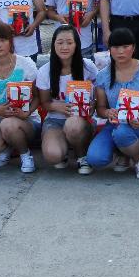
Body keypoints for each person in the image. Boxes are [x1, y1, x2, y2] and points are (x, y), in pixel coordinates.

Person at [84, 27, 139, 179]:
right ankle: (123, 151)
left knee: (122, 133)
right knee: (95, 158)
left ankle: (138, 161)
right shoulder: (103, 75)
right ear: (109, 49)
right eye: (116, 47)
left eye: (125, 46)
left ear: (133, 48)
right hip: (114, 124)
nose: (120, 51)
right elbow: (100, 108)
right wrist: (107, 112)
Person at [0, 23, 40, 173]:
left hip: (26, 120)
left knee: (9, 125)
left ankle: (25, 155)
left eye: (3, 40)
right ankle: (9, 146)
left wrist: (27, 112)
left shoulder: (26, 64)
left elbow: (38, 97)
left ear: (10, 41)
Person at [36, 25, 99, 173]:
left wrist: (93, 104)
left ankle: (81, 156)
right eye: (60, 42)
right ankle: (63, 150)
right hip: (55, 120)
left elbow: (98, 94)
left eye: (69, 42)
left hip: (81, 120)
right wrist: (58, 107)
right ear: (53, 44)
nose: (64, 47)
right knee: (53, 155)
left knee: (73, 125)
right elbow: (44, 103)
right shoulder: (44, 71)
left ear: (76, 45)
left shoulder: (88, 67)